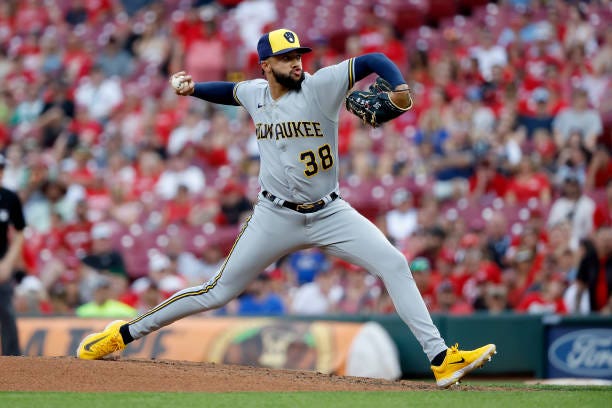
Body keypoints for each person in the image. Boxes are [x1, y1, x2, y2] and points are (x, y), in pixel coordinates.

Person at [76, 28, 495, 388]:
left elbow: (374, 58)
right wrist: (194, 89)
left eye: (298, 55)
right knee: (216, 291)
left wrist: (399, 86)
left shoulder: (321, 85)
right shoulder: (256, 92)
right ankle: (124, 334)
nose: (297, 63)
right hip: (275, 215)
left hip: (331, 213)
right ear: (266, 65)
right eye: (286, 57)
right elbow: (230, 91)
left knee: (394, 263)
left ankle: (441, 359)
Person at [0, 154, 27, 355]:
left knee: (7, 313)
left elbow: (19, 232)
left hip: (1, 263)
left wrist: (8, 263)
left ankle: (14, 363)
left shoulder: (9, 198)